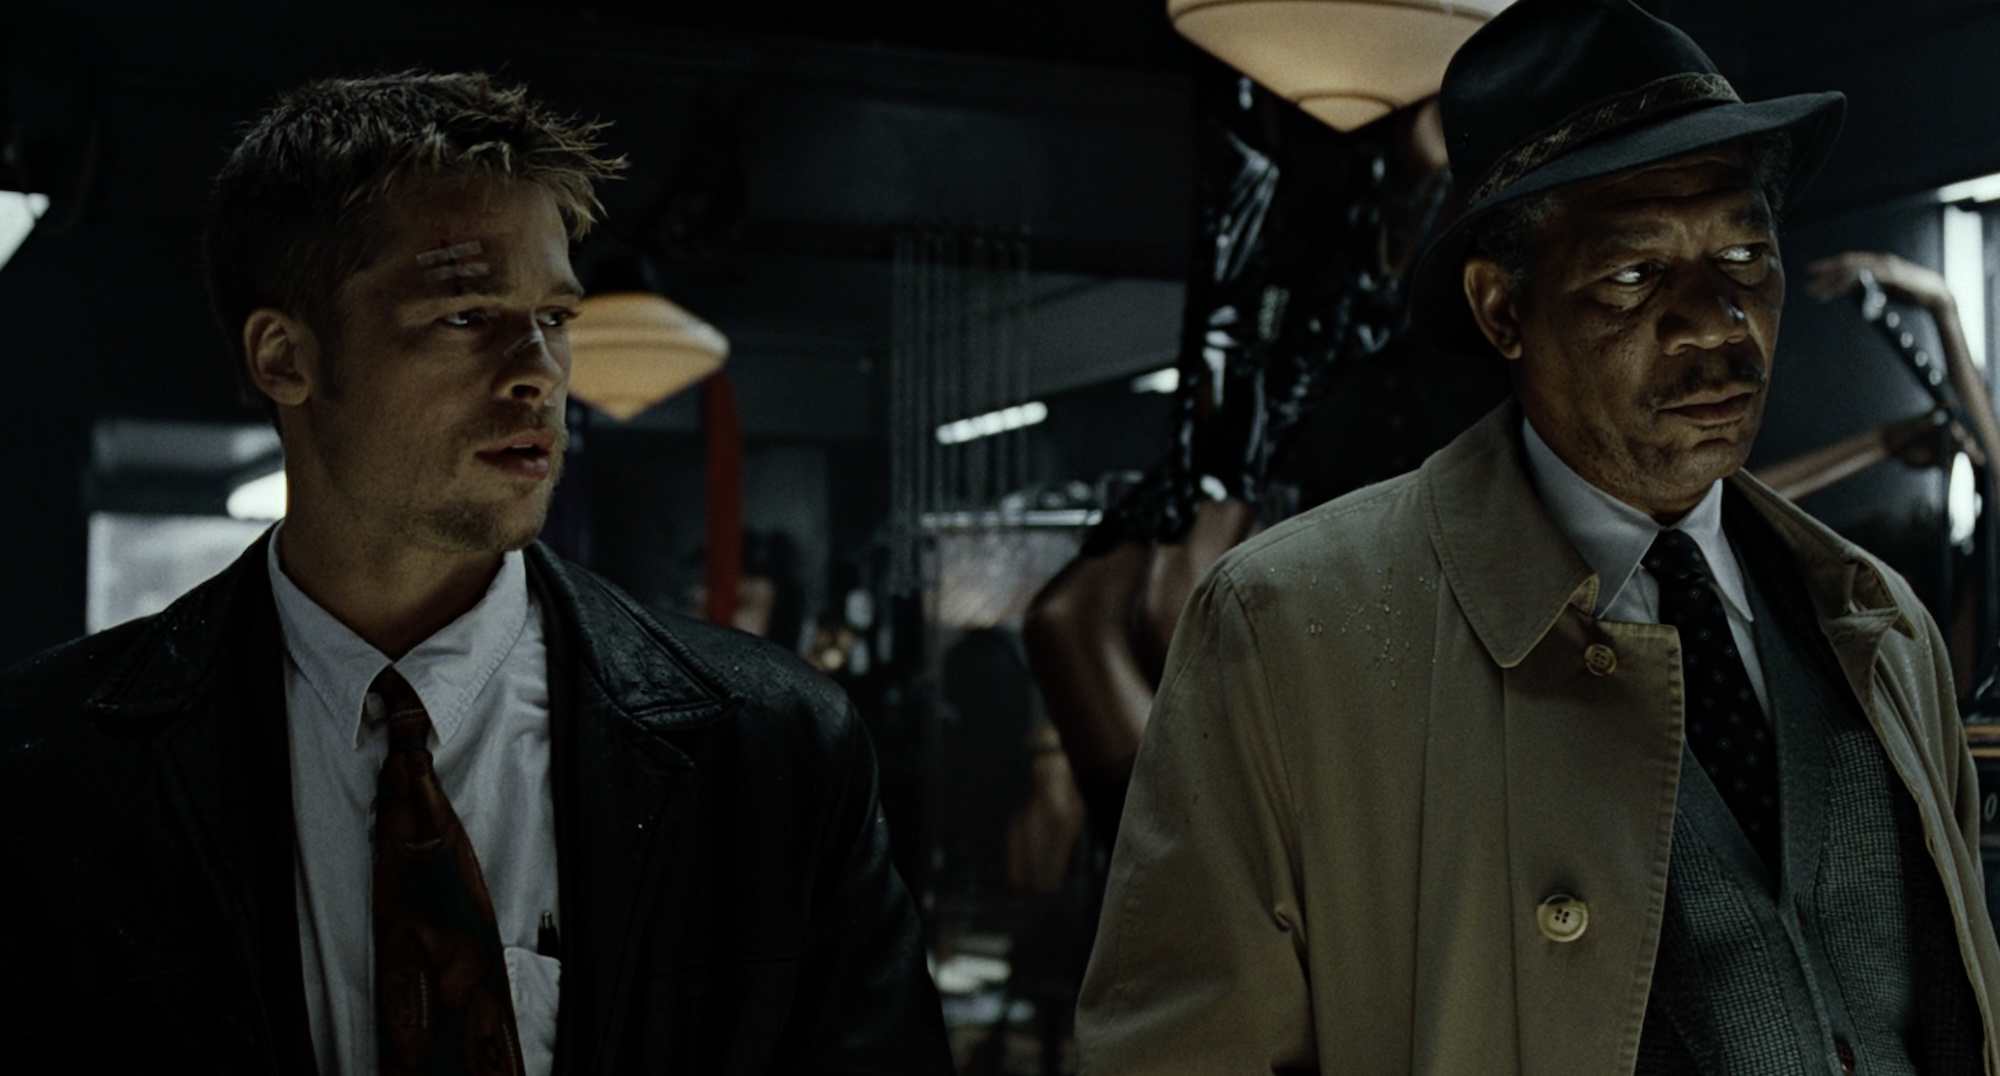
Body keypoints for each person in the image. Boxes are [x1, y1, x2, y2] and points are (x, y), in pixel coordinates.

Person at [1075, 1, 2000, 1072]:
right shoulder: (1288, 635)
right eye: (1634, 273)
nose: (1715, 318)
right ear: (1500, 309)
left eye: (1746, 254)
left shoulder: (1879, 627)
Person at [0, 71, 952, 1075]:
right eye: (465, 315)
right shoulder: (49, 771)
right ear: (284, 356)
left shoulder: (773, 748)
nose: (538, 369)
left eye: (556, 316)